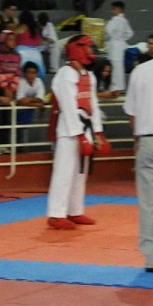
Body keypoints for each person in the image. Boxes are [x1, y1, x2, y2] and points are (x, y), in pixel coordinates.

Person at [46, 35, 107, 230]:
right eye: (87, 47)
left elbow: (93, 105)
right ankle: (56, 214)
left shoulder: (89, 76)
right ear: (77, 49)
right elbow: (68, 107)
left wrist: (98, 133)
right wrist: (79, 135)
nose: (90, 50)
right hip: (68, 129)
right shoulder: (65, 74)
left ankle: (75, 210)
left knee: (80, 173)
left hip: (85, 127)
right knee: (64, 172)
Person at [124, 23, 153, 272]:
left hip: (148, 139)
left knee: (148, 203)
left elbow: (132, 113)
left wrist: (137, 140)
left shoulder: (140, 71)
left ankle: (150, 258)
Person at [15, 61, 46, 146]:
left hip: (28, 111)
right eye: (28, 73)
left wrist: (28, 100)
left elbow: (40, 99)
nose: (31, 75)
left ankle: (22, 147)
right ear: (24, 73)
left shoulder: (39, 81)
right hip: (18, 112)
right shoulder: (21, 82)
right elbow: (20, 100)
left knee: (23, 128)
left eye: (33, 73)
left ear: (37, 74)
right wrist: (36, 104)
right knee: (17, 129)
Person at [104, 1, 133, 92]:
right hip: (119, 45)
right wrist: (121, 39)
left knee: (114, 67)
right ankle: (120, 87)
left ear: (118, 9)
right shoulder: (124, 20)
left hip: (114, 46)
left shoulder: (115, 20)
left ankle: (115, 87)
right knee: (119, 67)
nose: (112, 11)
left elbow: (108, 31)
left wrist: (114, 38)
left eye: (113, 9)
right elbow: (130, 33)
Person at [16, 10, 45, 79]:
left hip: (22, 52)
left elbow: (12, 37)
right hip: (36, 53)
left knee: (22, 73)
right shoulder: (37, 28)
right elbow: (40, 42)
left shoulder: (21, 27)